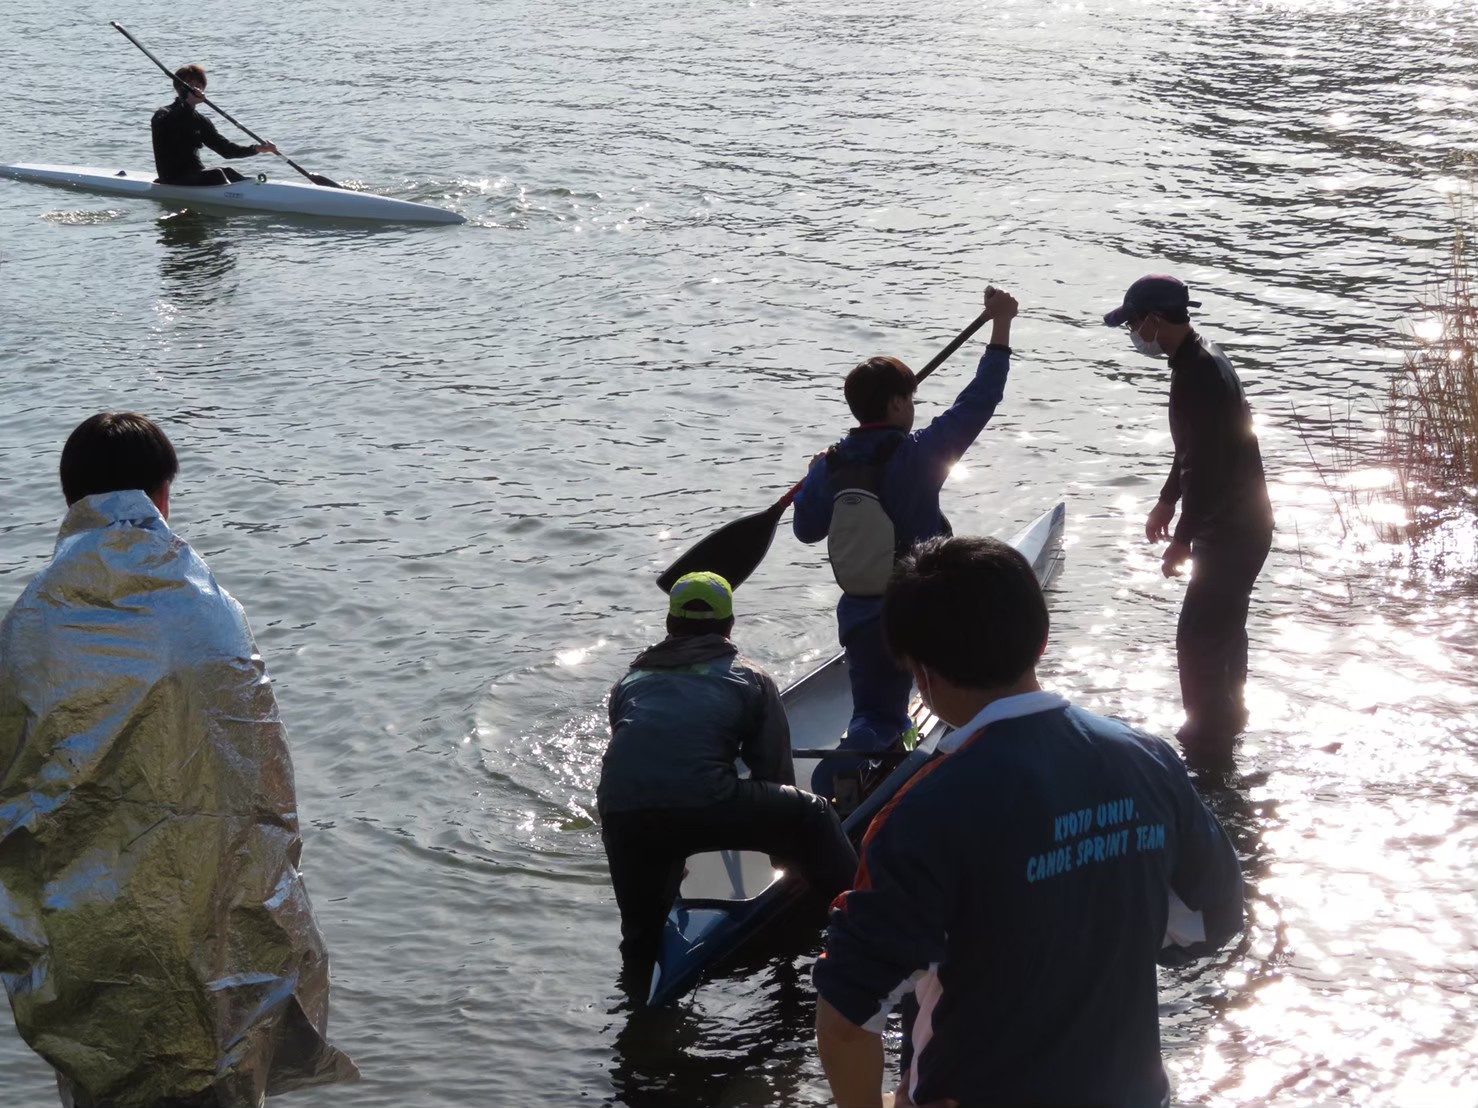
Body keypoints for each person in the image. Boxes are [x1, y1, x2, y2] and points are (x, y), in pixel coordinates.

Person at [0, 413, 357, 1107]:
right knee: (214, 1069)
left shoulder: (30, 622)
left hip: (86, 930)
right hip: (209, 917)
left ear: (71, 498)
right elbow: (264, 782)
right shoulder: (210, 613)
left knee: (106, 1075)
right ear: (162, 495)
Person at [813, 536, 1244, 1108]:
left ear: (923, 675)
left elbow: (845, 1020)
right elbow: (1214, 920)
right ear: (1040, 640)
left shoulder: (919, 814)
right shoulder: (1148, 759)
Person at [792, 286, 1017, 804]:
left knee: (875, 712)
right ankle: (901, 762)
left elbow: (806, 531)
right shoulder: (918, 456)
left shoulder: (830, 465)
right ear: (896, 404)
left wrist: (810, 480)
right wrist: (1001, 326)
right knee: (962, 689)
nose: (913, 408)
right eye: (910, 400)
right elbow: (979, 400)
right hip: (925, 609)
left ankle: (861, 758)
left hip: (859, 614)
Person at [597, 571, 857, 1000]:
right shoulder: (750, 678)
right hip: (705, 802)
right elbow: (773, 772)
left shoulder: (627, 682)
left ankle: (639, 1008)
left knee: (640, 936)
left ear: (670, 624)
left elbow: (643, 762)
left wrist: (668, 852)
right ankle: (865, 922)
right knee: (814, 812)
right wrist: (789, 861)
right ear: (730, 626)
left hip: (622, 813)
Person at [1103, 275, 1275, 759]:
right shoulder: (1204, 357)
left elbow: (1206, 469)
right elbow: (1193, 451)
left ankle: (1205, 747)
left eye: (1134, 324)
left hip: (1231, 531)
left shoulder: (1196, 376)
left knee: (1197, 638)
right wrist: (1167, 499)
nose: (1134, 334)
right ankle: (1230, 721)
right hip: (1245, 524)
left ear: (1155, 321)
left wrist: (1182, 540)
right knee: (1223, 629)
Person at [151, 64, 277, 186]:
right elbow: (170, 122)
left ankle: (256, 188)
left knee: (229, 172)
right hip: (171, 178)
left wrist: (256, 149)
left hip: (195, 174)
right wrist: (188, 104)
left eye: (199, 85)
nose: (196, 89)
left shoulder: (201, 121)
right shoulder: (163, 114)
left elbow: (226, 150)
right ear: (179, 89)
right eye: (191, 85)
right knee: (217, 174)